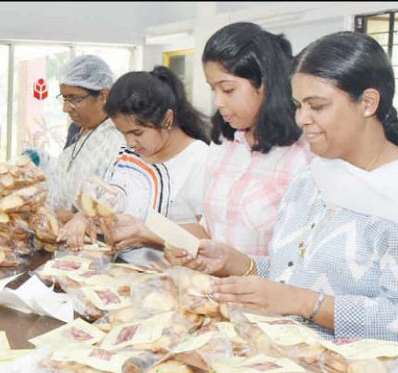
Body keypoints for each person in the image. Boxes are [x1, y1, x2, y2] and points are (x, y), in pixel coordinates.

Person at [166, 31, 398, 341]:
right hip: (291, 360)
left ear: (368, 102)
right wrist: (238, 263)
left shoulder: (390, 190)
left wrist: (303, 303)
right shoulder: (312, 178)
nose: (302, 119)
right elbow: (290, 271)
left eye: (317, 106)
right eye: (299, 105)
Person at [60, 66, 211, 256]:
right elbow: (110, 203)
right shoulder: (129, 152)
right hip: (123, 272)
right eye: (123, 133)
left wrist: (148, 231)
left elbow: (208, 239)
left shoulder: (200, 161)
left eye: (137, 133)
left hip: (170, 278)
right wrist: (84, 217)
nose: (130, 142)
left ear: (167, 119)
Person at [197, 22, 314, 256]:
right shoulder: (225, 143)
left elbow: (299, 261)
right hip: (213, 288)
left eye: (228, 89)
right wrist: (150, 232)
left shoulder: (304, 156)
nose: (218, 102)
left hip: (265, 291)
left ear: (264, 83)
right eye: (213, 90)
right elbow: (210, 229)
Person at [48, 55, 125, 227]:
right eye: (64, 98)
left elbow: (115, 205)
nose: (66, 108)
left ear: (104, 95)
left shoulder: (119, 139)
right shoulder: (77, 130)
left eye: (75, 99)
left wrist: (72, 217)